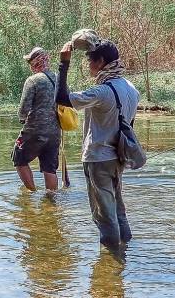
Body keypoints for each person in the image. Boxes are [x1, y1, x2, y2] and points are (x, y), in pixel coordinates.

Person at [55, 39, 140, 252]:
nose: (88, 65)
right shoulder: (131, 88)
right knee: (118, 206)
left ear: (101, 62)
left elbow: (62, 98)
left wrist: (63, 64)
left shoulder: (101, 92)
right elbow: (128, 125)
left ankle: (111, 263)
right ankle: (125, 248)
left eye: (90, 61)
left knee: (103, 214)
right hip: (119, 156)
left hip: (98, 158)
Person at [12, 47, 60, 197]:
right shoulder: (59, 78)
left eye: (30, 62)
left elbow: (23, 109)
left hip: (35, 130)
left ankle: (31, 193)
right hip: (55, 132)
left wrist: (22, 119)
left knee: (18, 158)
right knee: (49, 168)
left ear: (35, 62)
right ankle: (51, 200)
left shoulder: (32, 80)